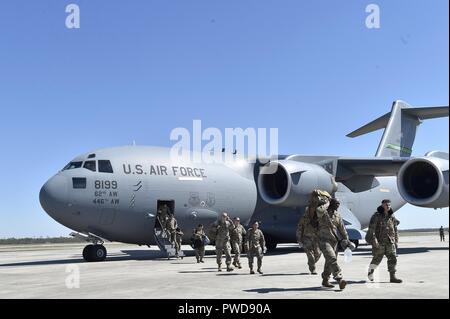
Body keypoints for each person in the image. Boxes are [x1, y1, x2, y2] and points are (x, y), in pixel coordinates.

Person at [365, 199, 402, 283]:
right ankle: (370, 273)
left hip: (390, 242)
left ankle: (392, 277)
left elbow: (395, 229)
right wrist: (375, 242)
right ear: (382, 205)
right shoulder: (376, 216)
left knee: (392, 258)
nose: (388, 206)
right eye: (386, 205)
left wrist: (396, 241)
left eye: (389, 205)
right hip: (379, 242)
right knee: (377, 259)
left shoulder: (391, 216)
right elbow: (372, 230)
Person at [317, 197, 349, 290]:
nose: (338, 205)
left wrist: (346, 239)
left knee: (329, 262)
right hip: (324, 240)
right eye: (336, 203)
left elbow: (342, 229)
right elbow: (318, 210)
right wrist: (327, 203)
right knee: (332, 259)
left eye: (339, 204)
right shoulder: (323, 213)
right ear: (331, 203)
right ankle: (339, 279)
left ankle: (325, 280)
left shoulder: (337, 215)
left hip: (334, 241)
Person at [297, 205, 322, 275]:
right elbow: (299, 229)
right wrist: (299, 240)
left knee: (318, 254)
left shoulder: (318, 219)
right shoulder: (304, 219)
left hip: (316, 239)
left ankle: (311, 262)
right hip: (306, 238)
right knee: (310, 254)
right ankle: (313, 269)